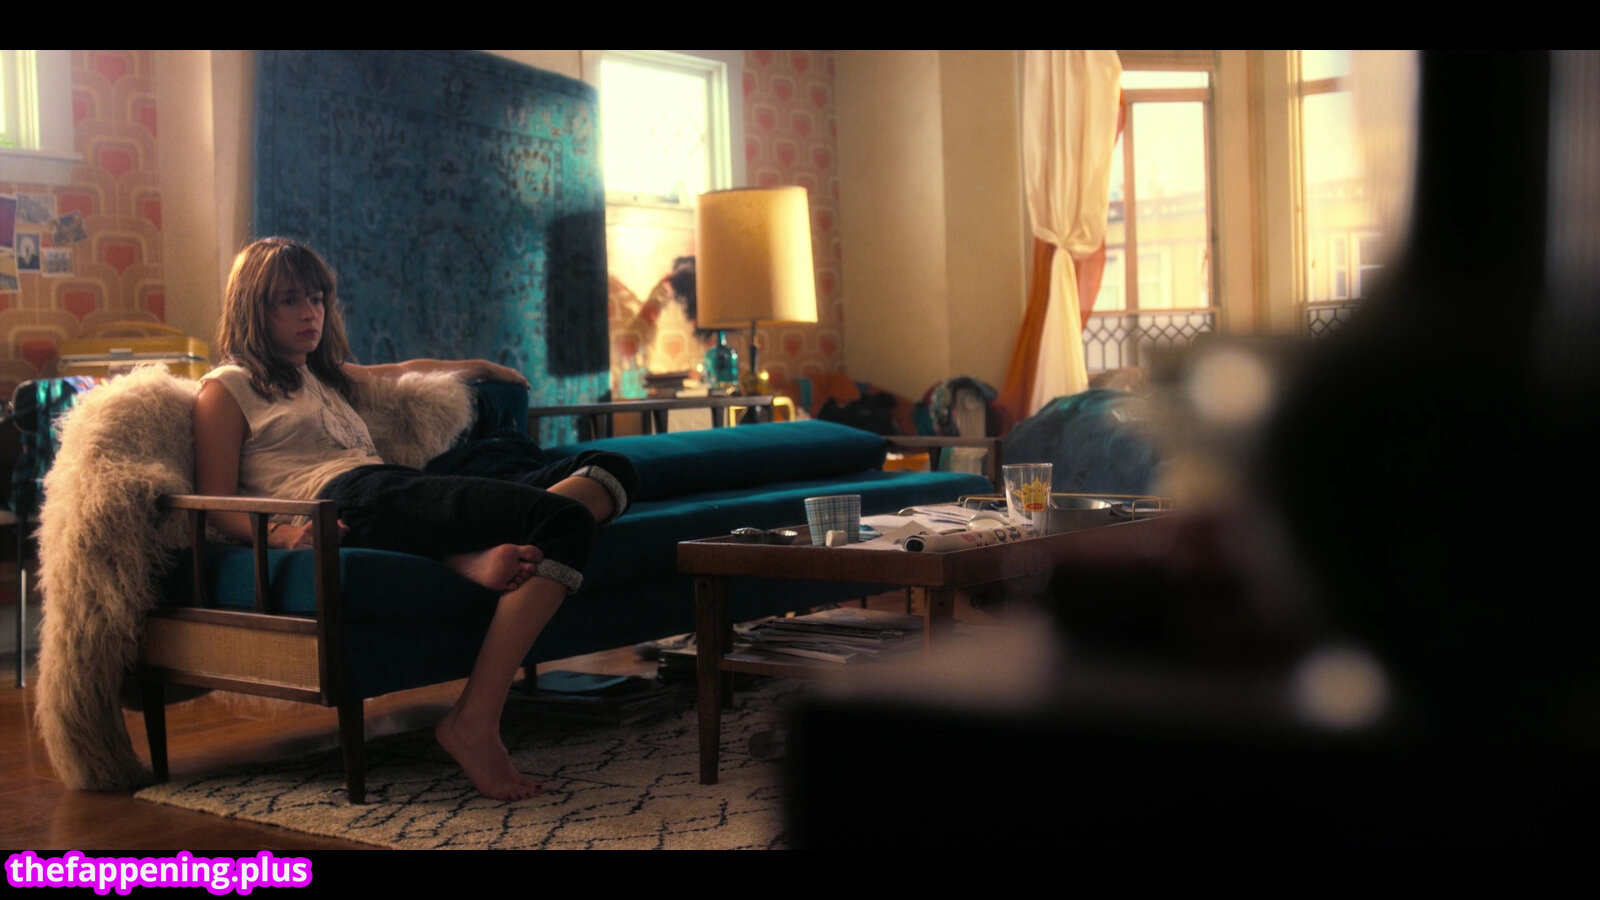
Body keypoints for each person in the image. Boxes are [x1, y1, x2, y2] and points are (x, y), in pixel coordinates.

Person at [193, 237, 635, 801]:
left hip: (391, 489)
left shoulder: (323, 375)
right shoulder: (227, 387)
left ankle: (465, 556)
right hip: (342, 501)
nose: (310, 313)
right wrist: (281, 534)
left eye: (317, 298)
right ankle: (473, 721)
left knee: (611, 472)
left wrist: (481, 368)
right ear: (252, 309)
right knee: (564, 522)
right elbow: (215, 503)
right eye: (289, 301)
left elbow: (405, 370)